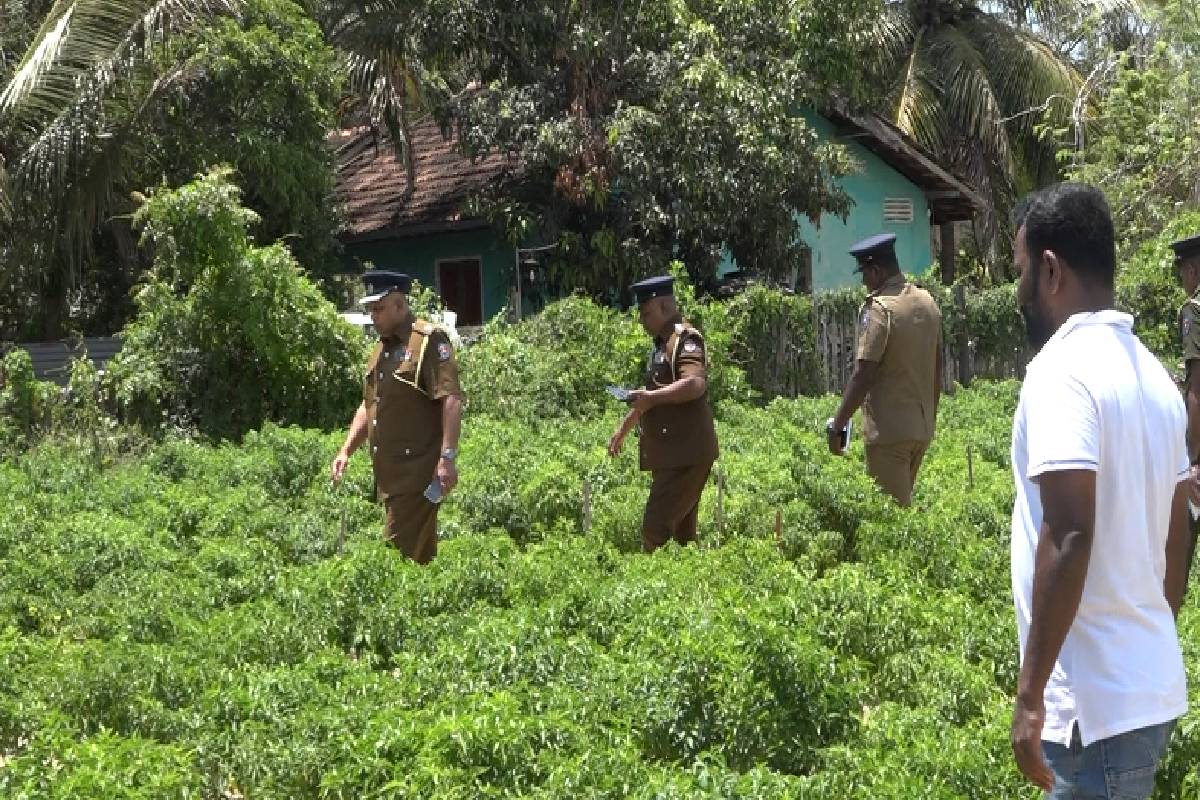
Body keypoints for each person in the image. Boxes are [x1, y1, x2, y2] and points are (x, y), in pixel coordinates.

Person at [1007, 183, 1190, 799]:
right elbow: (1179, 527)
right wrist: (1142, 640)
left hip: (1092, 714)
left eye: (1021, 271)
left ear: (1050, 270)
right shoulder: (1153, 375)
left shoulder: (1061, 371)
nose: (1019, 291)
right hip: (1141, 693)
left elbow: (1070, 532)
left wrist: (1031, 696)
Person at [331, 271, 463, 564]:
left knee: (396, 562)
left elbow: (451, 398)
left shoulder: (428, 342)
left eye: (379, 309)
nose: (373, 316)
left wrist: (447, 458)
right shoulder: (382, 348)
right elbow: (369, 404)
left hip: (417, 477)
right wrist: (346, 450)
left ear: (399, 306)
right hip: (390, 479)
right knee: (417, 562)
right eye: (371, 309)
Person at [826, 232, 942, 506]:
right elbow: (937, 367)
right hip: (922, 429)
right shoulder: (927, 302)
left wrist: (838, 426)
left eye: (864, 273)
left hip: (889, 434)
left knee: (891, 520)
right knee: (903, 510)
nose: (863, 282)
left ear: (876, 271)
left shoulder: (880, 309)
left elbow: (864, 374)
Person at [607, 276, 719, 552]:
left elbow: (695, 384)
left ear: (665, 307)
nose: (642, 320)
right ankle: (695, 578)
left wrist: (651, 398)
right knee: (682, 536)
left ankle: (657, 578)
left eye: (646, 313)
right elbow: (651, 395)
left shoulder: (685, 340)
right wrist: (624, 428)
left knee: (655, 529)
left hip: (685, 455)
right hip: (675, 454)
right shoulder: (662, 344)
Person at [1173, 233, 1200, 585]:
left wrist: (1192, 460)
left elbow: (1197, 389)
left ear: (1192, 271)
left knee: (1176, 554)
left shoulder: (1194, 310)